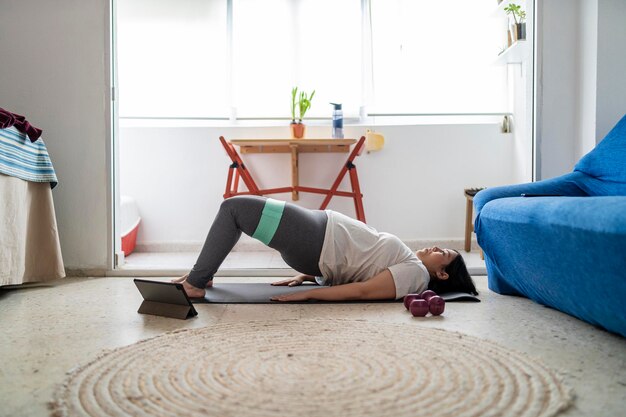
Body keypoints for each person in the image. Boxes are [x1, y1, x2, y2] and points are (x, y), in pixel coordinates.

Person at [173, 196, 478, 301]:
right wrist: (308, 277)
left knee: (233, 210)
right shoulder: (410, 265)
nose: (438, 247)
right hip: (314, 235)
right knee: (237, 213)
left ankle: (197, 282)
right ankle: (202, 276)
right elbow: (358, 270)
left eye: (444, 254)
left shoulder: (415, 275)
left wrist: (308, 295)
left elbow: (363, 291)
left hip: (313, 238)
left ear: (442, 274)